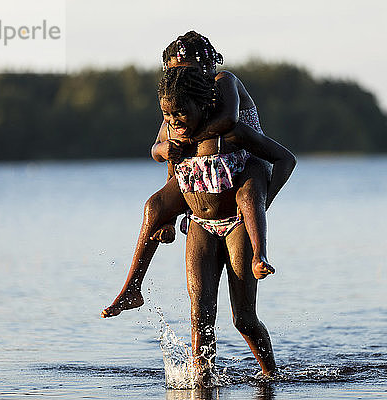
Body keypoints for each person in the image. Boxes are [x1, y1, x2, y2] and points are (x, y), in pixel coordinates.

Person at [101, 31, 278, 319]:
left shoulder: (223, 82)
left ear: (206, 67)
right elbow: (159, 148)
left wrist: (190, 138)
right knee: (154, 206)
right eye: (173, 73)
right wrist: (167, 149)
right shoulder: (178, 102)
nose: (179, 79)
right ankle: (132, 288)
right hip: (202, 176)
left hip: (246, 162)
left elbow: (228, 120)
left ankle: (260, 254)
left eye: (186, 71)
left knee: (243, 316)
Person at [157, 66, 295, 383]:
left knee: (243, 319)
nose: (175, 121)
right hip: (199, 227)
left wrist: (261, 206)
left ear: (203, 106)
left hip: (236, 227)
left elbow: (285, 159)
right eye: (168, 115)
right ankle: (202, 380)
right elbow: (173, 175)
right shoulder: (176, 137)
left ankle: (271, 377)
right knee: (199, 316)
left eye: (181, 112)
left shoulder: (231, 133)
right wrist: (171, 217)